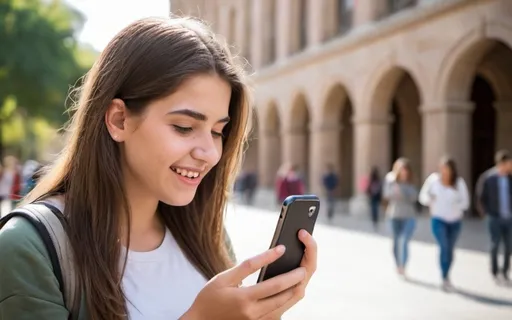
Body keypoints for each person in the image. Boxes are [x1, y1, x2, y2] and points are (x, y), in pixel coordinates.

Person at [0, 17, 317, 319]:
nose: (209, 152)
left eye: (218, 131)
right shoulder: (28, 248)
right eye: (183, 127)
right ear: (119, 120)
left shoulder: (207, 235)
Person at [419, 157, 469, 290]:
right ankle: (444, 276)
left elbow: (466, 202)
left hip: (454, 221)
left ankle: (447, 273)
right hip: (438, 219)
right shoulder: (433, 181)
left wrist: (456, 205)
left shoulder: (459, 183)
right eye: (442, 168)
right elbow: (422, 197)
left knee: (450, 250)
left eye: (447, 169)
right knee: (444, 246)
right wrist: (430, 199)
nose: (444, 171)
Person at [480, 150, 512, 283]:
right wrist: (486, 214)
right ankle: (494, 271)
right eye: (509, 163)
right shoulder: (488, 178)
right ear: (502, 163)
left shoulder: (510, 178)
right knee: (495, 244)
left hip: (509, 218)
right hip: (494, 217)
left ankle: (505, 271)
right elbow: (481, 197)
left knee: (509, 246)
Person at [383, 161, 418, 277]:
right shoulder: (391, 182)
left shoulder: (410, 184)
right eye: (401, 169)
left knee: (404, 241)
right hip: (394, 215)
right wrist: (395, 190)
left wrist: (402, 192)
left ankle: (403, 265)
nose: (403, 171)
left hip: (409, 216)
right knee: (395, 242)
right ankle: (398, 264)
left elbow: (414, 197)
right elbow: (386, 195)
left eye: (405, 169)